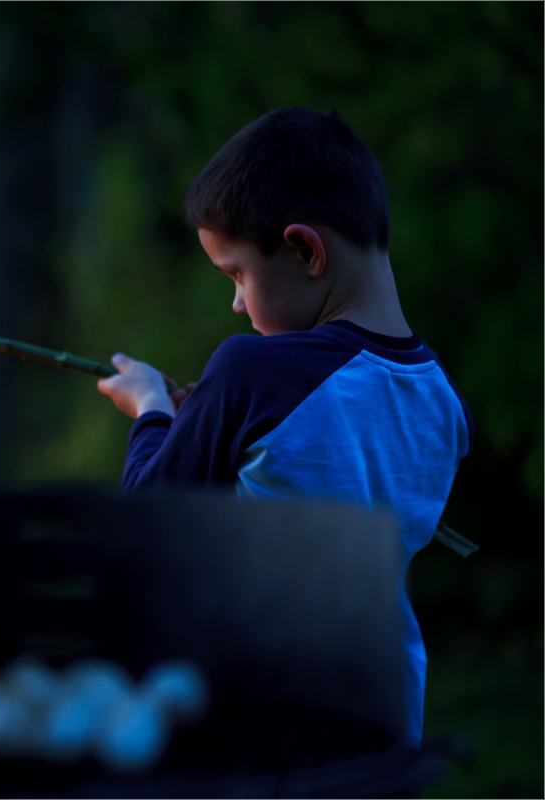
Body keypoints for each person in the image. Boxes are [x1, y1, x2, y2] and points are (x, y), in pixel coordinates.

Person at [96, 107, 472, 747]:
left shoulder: (253, 371)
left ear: (304, 249)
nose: (238, 303)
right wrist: (211, 418)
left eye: (237, 274)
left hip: (262, 711)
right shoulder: (445, 405)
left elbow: (149, 523)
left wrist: (152, 410)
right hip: (385, 715)